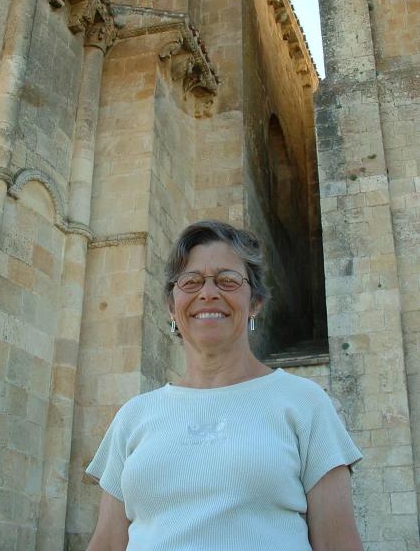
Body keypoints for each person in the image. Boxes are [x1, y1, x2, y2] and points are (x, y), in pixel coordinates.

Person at [86, 220, 363, 551]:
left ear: (255, 302)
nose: (208, 293)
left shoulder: (305, 403)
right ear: (171, 306)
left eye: (227, 281)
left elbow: (338, 543)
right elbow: (107, 542)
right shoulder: (133, 416)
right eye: (190, 282)